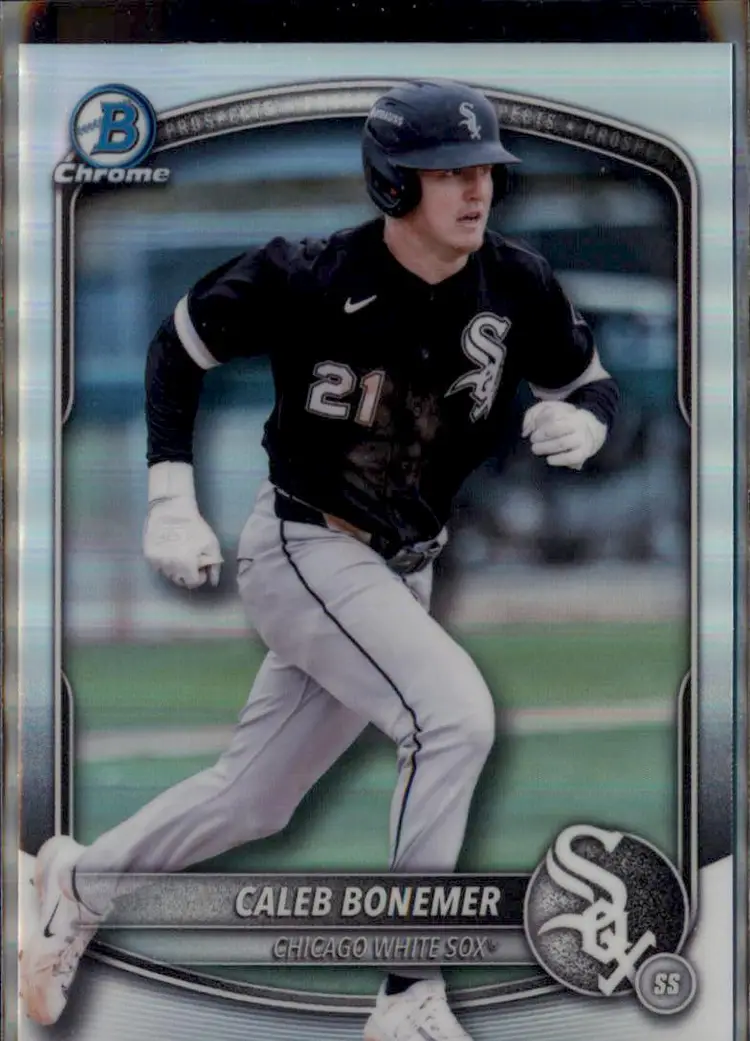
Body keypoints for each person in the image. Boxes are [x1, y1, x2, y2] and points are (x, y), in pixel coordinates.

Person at [22, 79, 619, 1038]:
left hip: (404, 567)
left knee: (254, 797)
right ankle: (409, 995)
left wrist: (587, 422)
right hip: (307, 545)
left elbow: (588, 380)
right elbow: (177, 347)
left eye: (485, 169)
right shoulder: (306, 273)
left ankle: (79, 882)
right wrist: (171, 497)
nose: (476, 189)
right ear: (393, 183)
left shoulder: (516, 282)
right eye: (448, 172)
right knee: (453, 717)